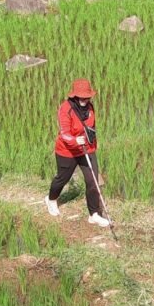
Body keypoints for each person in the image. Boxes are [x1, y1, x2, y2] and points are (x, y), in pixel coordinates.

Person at [45, 79, 110, 228]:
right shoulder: (65, 108)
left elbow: (91, 129)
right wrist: (75, 140)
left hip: (87, 149)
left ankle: (94, 214)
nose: (84, 100)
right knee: (63, 178)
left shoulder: (90, 108)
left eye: (87, 97)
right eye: (81, 97)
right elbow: (64, 133)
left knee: (93, 180)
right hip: (67, 150)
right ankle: (51, 199)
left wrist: (90, 144)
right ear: (74, 96)